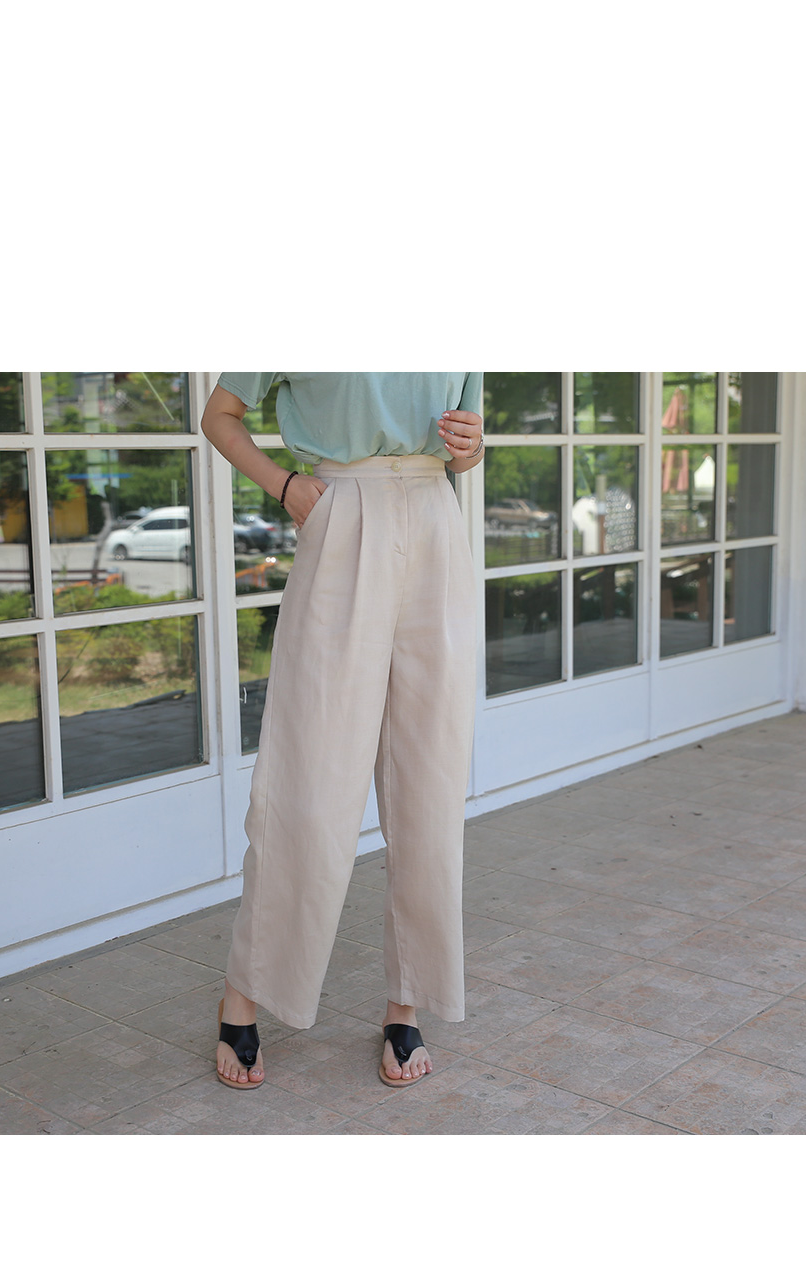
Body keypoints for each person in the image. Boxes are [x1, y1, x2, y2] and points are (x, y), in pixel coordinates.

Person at [201, 372, 484, 1091]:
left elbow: (465, 445)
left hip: (436, 521)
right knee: (311, 781)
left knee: (431, 782)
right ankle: (245, 992)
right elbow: (220, 414)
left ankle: (406, 1004)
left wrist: (471, 447)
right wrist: (286, 486)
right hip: (342, 513)